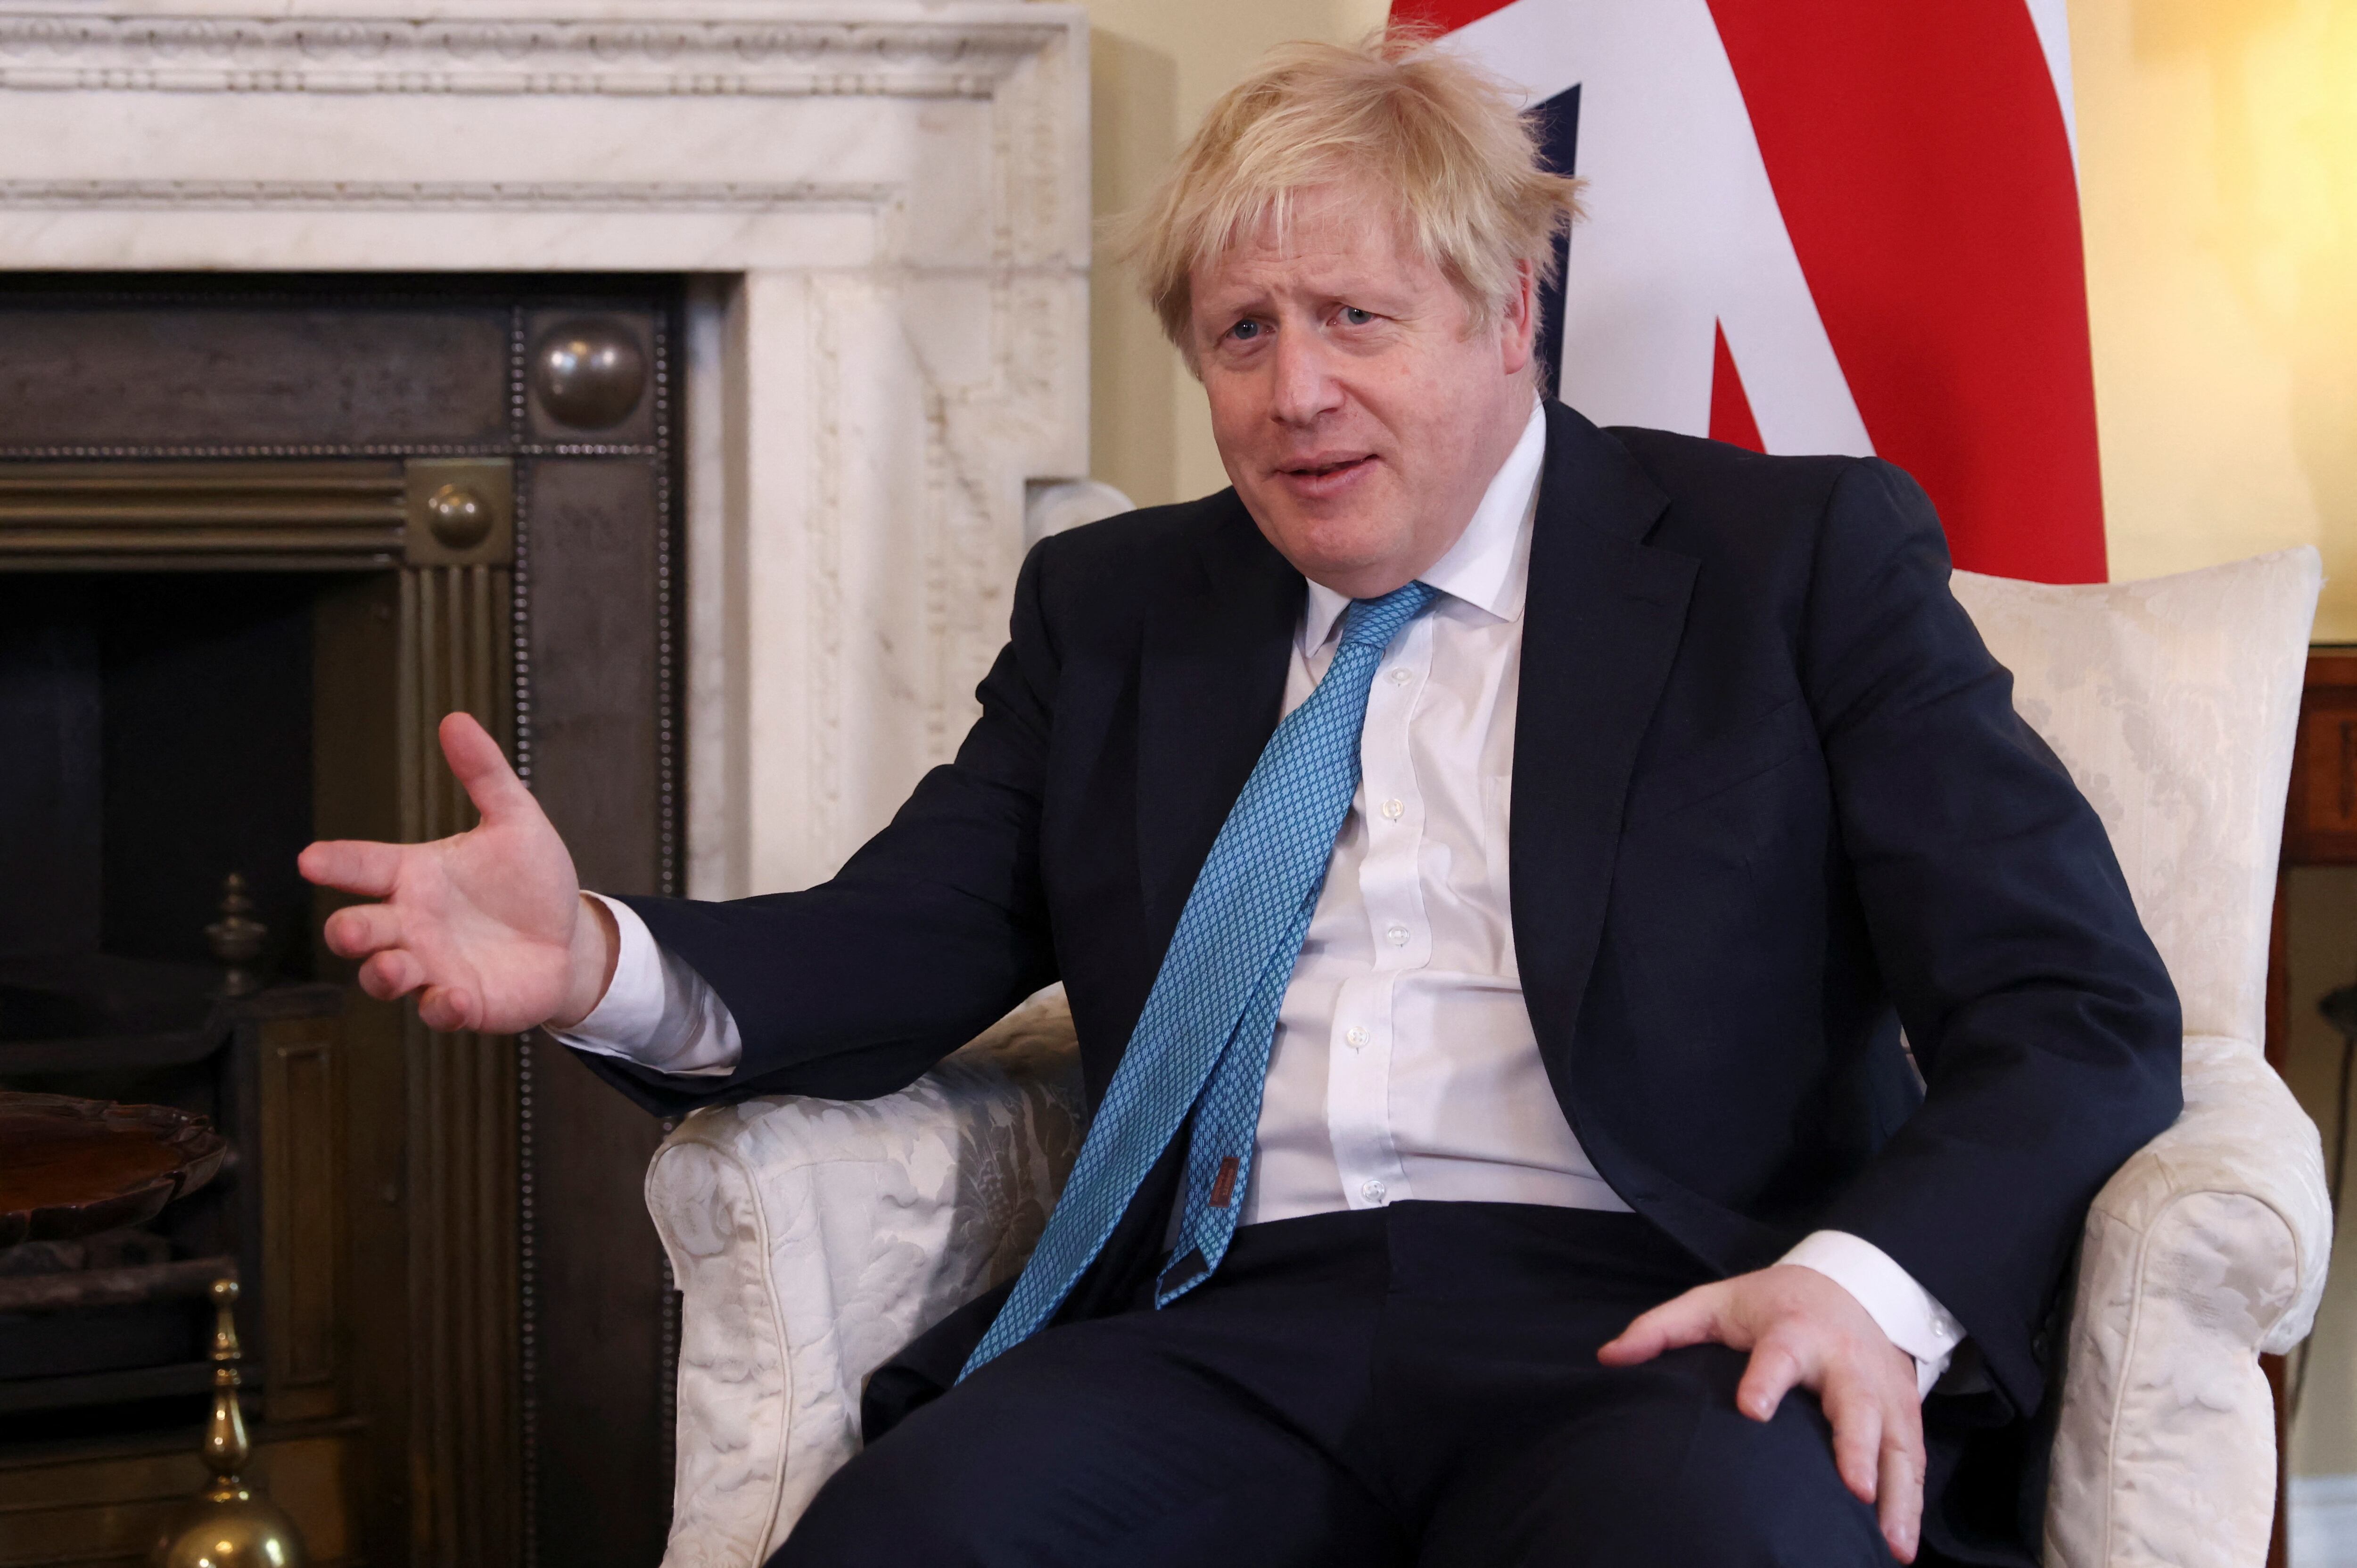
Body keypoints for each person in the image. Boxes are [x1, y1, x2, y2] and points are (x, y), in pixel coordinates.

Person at [301, 31, 2180, 1568]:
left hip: (1658, 1315)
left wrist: (1857, 1286)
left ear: (1502, 315)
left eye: (1355, 318)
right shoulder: (1122, 610)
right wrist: (598, 962)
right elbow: (912, 932)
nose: (1295, 394)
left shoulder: (1788, 565)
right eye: (1241, 332)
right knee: (908, 1545)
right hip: (1230, 1323)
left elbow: (2069, 1009)